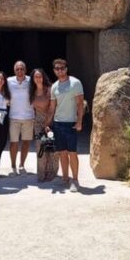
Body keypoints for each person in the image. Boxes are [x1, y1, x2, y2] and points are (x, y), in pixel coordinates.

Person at [46, 58, 84, 192]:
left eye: (62, 68)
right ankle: (65, 178)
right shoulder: (54, 86)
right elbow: (52, 107)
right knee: (62, 153)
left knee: (72, 153)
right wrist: (47, 123)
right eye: (57, 69)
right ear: (54, 71)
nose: (60, 71)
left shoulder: (75, 83)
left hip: (71, 123)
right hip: (58, 124)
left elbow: (80, 104)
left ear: (66, 69)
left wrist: (79, 122)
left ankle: (75, 180)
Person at [7, 60, 35, 176]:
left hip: (28, 117)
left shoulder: (31, 80)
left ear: (25, 70)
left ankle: (22, 164)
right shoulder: (9, 81)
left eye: (22, 69)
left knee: (26, 142)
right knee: (13, 143)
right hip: (14, 117)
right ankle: (13, 165)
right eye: (17, 69)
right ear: (14, 70)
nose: (20, 71)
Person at [29, 68, 57, 182]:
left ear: (43, 77)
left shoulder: (49, 89)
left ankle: (51, 173)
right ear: (33, 79)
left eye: (39, 76)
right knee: (40, 147)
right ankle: (41, 174)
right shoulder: (32, 91)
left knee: (51, 148)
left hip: (50, 121)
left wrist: (47, 124)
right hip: (38, 122)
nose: (38, 79)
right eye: (35, 77)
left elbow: (52, 108)